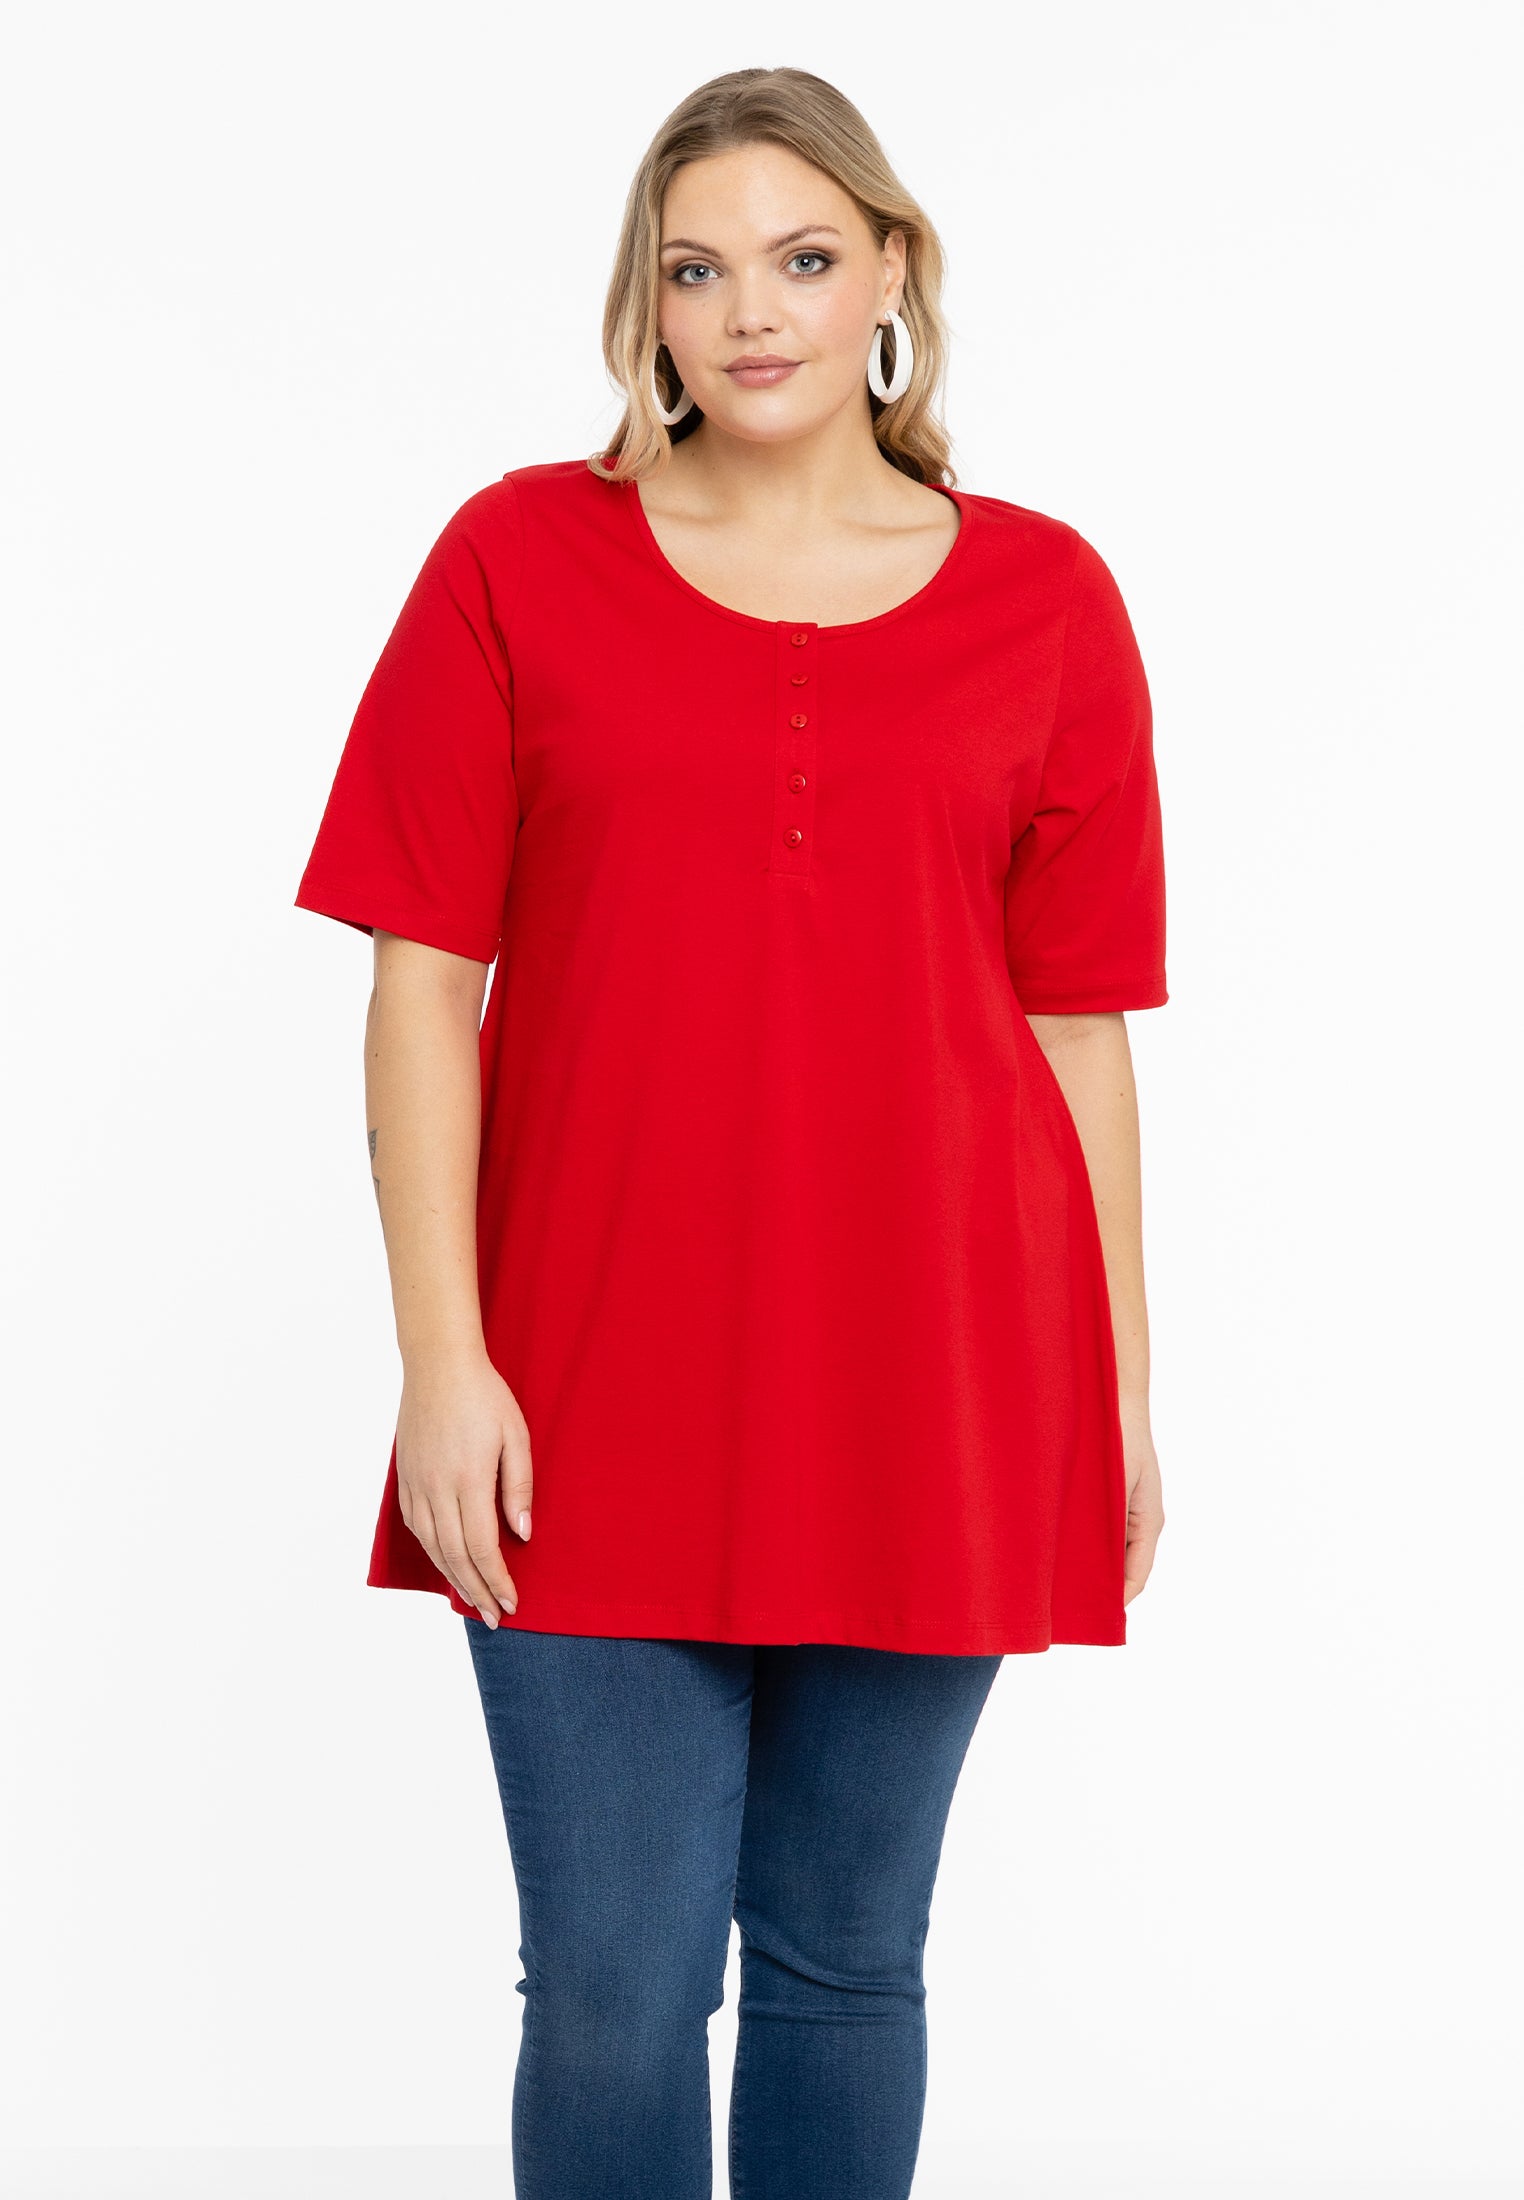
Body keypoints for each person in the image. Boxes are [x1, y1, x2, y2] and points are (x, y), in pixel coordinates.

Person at [293, 63, 1169, 2200]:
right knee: (612, 1983)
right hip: (585, 1383)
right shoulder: (517, 560)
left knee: (850, 1965)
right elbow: (420, 983)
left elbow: (1077, 1033)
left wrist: (1118, 1392)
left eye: (800, 257)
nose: (749, 311)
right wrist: (442, 1357)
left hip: (936, 1374)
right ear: (646, 302)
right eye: (696, 270)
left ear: (891, 275)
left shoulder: (1047, 600)